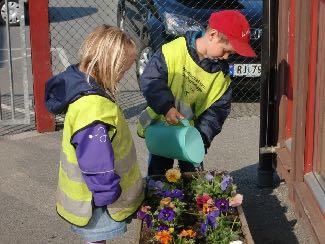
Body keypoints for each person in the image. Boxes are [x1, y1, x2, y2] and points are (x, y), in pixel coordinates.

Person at [45, 25, 144, 244]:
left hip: (92, 194)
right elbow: (95, 160)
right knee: (96, 240)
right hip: (97, 200)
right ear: (110, 65)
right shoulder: (93, 109)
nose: (123, 75)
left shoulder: (83, 84)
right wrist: (109, 194)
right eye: (124, 69)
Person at [137, 10, 257, 176]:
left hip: (192, 134)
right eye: (226, 50)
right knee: (159, 175)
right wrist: (167, 108)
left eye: (231, 54)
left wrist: (200, 138)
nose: (226, 57)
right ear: (212, 35)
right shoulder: (172, 51)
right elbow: (151, 80)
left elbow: (218, 111)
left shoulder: (221, 78)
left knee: (194, 179)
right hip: (162, 126)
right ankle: (158, 198)